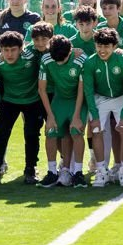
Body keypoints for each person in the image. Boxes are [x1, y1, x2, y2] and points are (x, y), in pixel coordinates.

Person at [0, 29, 44, 185]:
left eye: (13, 50)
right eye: (5, 50)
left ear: (21, 49)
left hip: (32, 100)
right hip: (9, 101)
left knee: (32, 135)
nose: (9, 54)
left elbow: (47, 47)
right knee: (1, 135)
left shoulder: (32, 56)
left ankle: (30, 169)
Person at [82, 28, 123, 187]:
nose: (102, 50)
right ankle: (101, 170)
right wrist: (95, 116)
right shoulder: (90, 62)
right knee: (96, 130)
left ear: (114, 46)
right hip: (100, 98)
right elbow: (89, 91)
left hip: (121, 98)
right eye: (99, 46)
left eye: (106, 46)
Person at [38, 33, 87, 187]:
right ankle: (52, 172)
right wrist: (50, 116)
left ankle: (78, 173)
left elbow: (81, 90)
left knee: (76, 131)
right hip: (59, 100)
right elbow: (42, 89)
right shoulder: (46, 59)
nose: (59, 63)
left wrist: (77, 115)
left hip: (77, 101)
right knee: (50, 132)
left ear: (70, 51)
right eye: (56, 60)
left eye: (63, 60)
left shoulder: (80, 60)